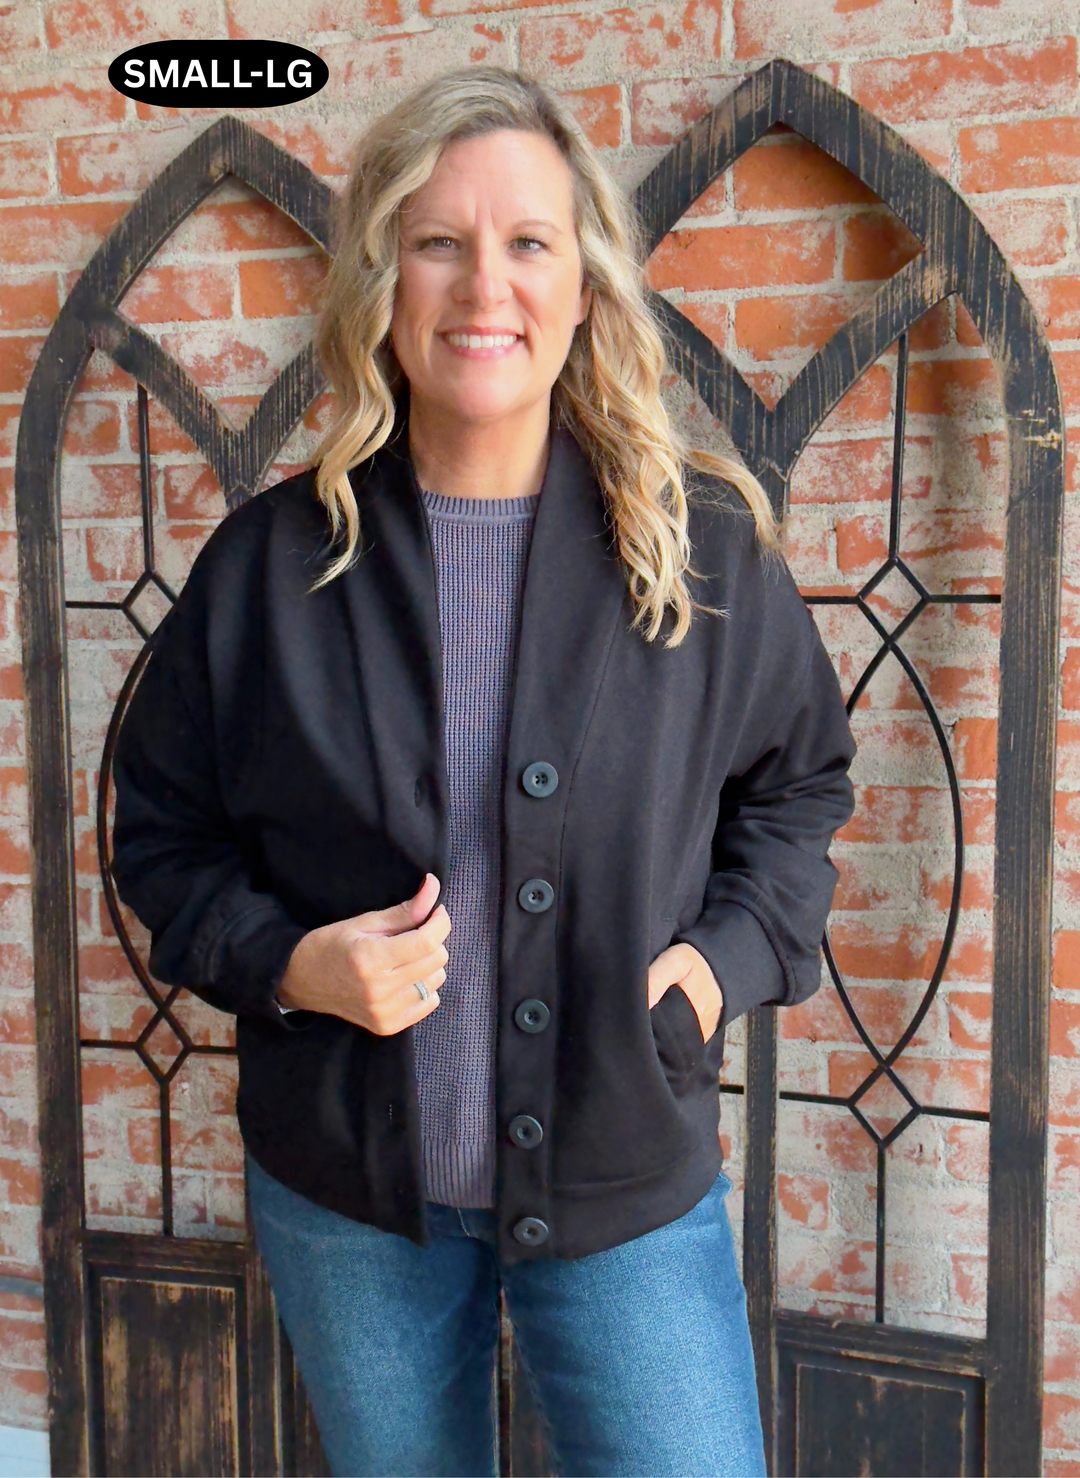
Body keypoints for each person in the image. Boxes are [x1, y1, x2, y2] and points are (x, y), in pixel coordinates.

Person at [110, 64, 856, 1478]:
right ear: (382, 281)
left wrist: (718, 965)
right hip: (351, 1204)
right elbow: (159, 832)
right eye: (438, 242)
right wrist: (290, 964)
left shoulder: (701, 554)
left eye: (527, 242)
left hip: (625, 1176)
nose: (483, 286)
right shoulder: (268, 568)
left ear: (584, 287)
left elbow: (800, 783)